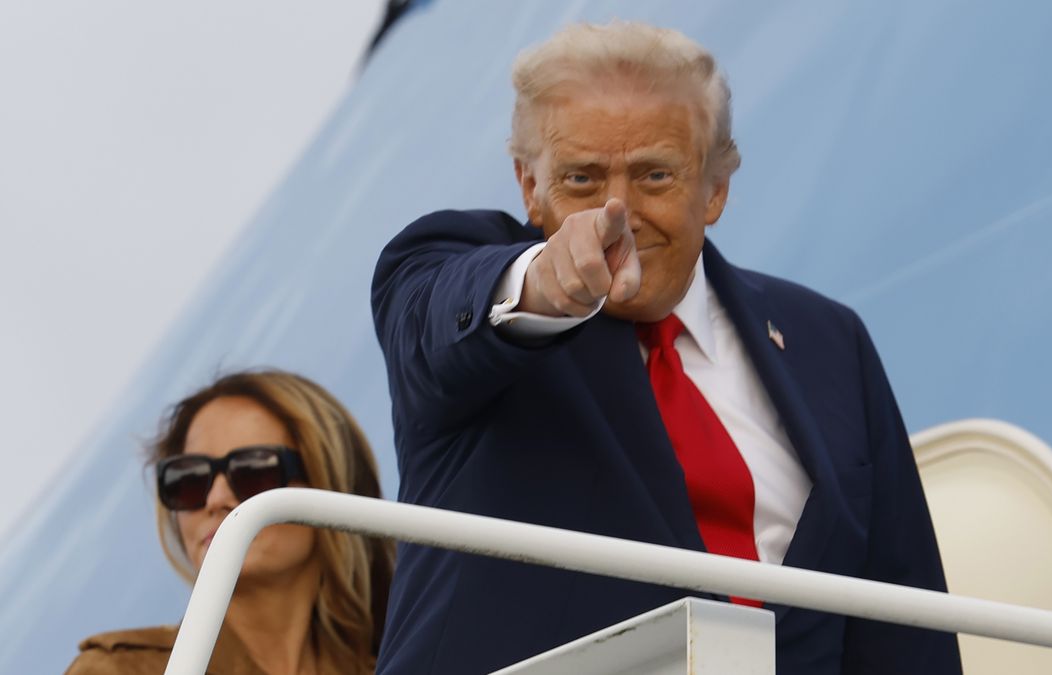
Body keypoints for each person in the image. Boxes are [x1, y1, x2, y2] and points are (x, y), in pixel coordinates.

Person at [371, 21, 962, 674]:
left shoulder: (829, 340)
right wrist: (543, 283)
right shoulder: (463, 289)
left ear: (715, 188)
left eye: (654, 176)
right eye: (582, 179)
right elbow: (435, 321)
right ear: (529, 185)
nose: (616, 213)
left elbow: (903, 619)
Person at [67, 370, 395, 675]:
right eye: (189, 480)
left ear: (327, 487)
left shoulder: (394, 662)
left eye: (253, 473)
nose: (215, 499)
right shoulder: (118, 671)